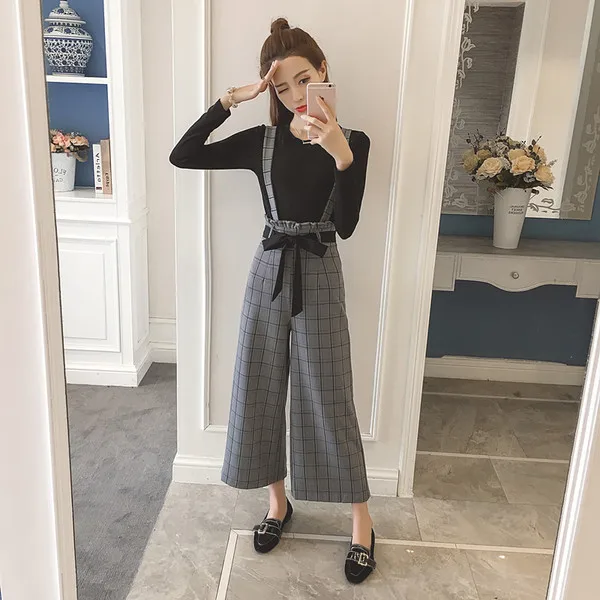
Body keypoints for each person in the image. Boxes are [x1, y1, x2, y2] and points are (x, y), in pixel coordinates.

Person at [169, 17, 375, 584]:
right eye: (281, 87)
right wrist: (230, 100)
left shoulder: (354, 142)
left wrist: (340, 155)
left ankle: (362, 522)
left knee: (330, 393)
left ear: (323, 71)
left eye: (303, 80)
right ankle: (276, 504)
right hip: (268, 269)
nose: (294, 95)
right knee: (260, 384)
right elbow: (183, 155)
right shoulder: (261, 140)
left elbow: (347, 225)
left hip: (320, 270)